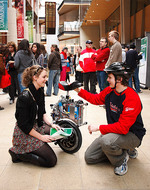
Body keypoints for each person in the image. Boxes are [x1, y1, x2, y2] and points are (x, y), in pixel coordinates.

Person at [74, 62, 146, 176]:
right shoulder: (110, 91)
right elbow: (96, 99)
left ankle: (121, 159)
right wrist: (78, 90)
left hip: (132, 134)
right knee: (90, 157)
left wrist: (98, 128)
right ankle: (122, 149)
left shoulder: (131, 97)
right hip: (115, 132)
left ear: (119, 79)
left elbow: (123, 128)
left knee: (106, 141)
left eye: (110, 77)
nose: (107, 80)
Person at [9, 65, 60, 167]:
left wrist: (51, 124)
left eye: (46, 77)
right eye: (44, 77)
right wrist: (42, 137)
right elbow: (24, 125)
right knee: (51, 161)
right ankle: (17, 153)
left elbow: (43, 113)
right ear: (35, 77)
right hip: (25, 133)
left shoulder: (40, 91)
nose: (46, 79)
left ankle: (37, 144)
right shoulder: (24, 97)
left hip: (35, 126)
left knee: (58, 132)